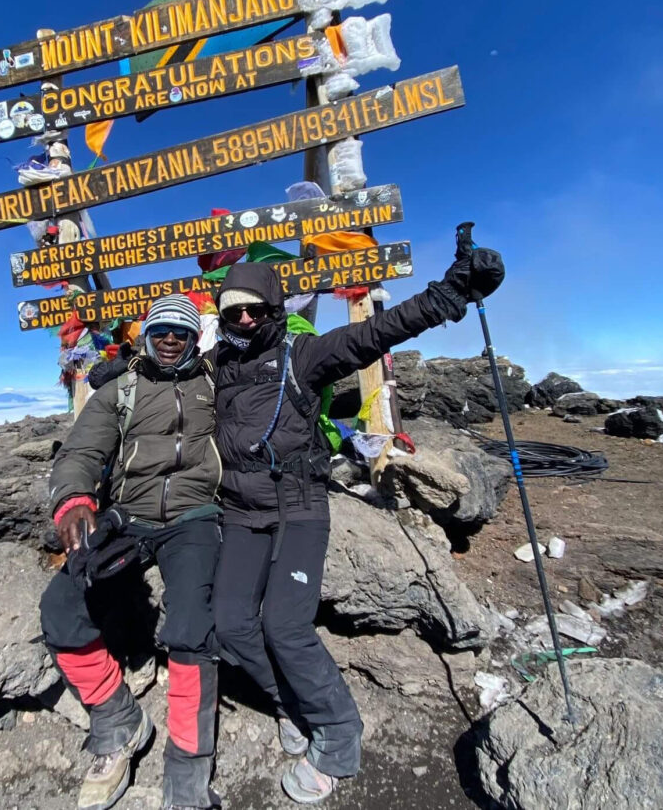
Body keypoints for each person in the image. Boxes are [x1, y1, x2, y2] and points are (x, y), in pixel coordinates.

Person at [210, 247, 504, 803]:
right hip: (242, 513)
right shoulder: (219, 364)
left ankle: (339, 737)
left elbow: (378, 331)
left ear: (275, 306)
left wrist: (451, 293)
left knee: (285, 628)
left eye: (255, 309)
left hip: (298, 506)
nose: (245, 319)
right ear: (222, 316)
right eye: (233, 311)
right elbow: (165, 375)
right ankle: (289, 705)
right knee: (229, 625)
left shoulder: (306, 355)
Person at [41, 294, 223, 810]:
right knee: (61, 607)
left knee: (191, 627)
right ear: (147, 334)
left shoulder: (215, 383)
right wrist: (74, 499)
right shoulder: (119, 388)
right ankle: (117, 716)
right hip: (128, 515)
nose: (170, 339)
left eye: (181, 332)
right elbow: (82, 451)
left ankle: (187, 764)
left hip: (194, 518)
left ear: (195, 338)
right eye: (161, 330)